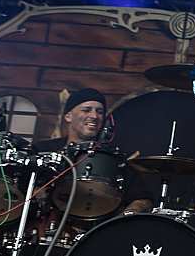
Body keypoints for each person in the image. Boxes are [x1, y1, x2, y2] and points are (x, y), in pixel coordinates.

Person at [34, 88, 153, 217]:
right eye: (86, 110)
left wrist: (120, 220)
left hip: (98, 226)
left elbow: (144, 200)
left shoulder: (116, 157)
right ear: (68, 116)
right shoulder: (42, 150)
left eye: (100, 112)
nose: (94, 116)